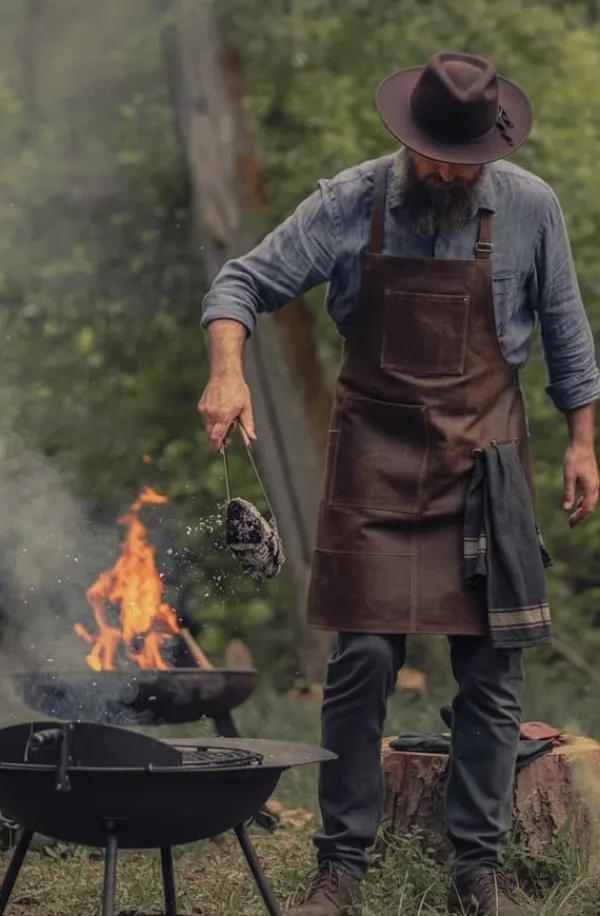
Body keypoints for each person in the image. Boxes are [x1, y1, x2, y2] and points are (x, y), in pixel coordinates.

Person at [198, 51, 600, 916]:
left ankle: (476, 873)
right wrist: (227, 371)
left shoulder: (530, 206)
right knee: (363, 662)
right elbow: (240, 283)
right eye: (435, 157)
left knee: (492, 673)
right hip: (374, 458)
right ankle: (340, 867)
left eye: (465, 161)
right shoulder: (350, 200)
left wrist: (581, 442)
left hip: (486, 457)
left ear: (491, 147)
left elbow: (567, 331)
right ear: (409, 140)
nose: (450, 173)